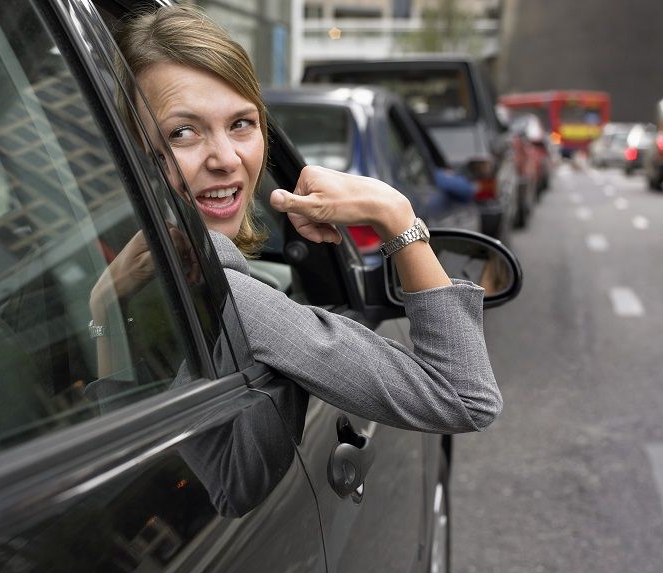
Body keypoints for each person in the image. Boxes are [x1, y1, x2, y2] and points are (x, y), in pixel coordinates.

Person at [91, 4, 502, 435]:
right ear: (142, 149)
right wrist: (393, 213)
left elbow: (117, 433)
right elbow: (465, 398)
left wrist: (102, 307)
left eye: (241, 123)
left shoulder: (153, 272)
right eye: (183, 132)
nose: (227, 159)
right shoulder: (236, 296)